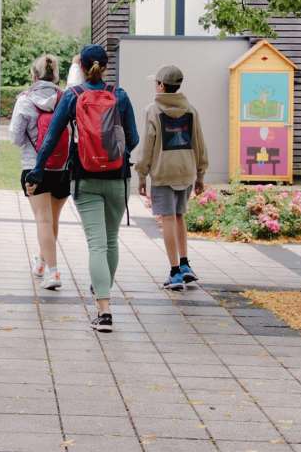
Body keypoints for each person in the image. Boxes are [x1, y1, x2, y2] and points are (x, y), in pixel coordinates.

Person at [25, 44, 139, 332]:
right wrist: (116, 154)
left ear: (83, 66)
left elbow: (50, 138)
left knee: (97, 244)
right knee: (111, 241)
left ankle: (104, 311)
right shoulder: (120, 95)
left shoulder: (73, 96)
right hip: (118, 178)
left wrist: (38, 171)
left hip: (85, 177)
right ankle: (103, 292)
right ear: (105, 65)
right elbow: (134, 138)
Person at [135, 65, 208, 291]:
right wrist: (200, 174)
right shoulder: (191, 110)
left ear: (161, 85)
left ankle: (175, 271)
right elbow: (199, 143)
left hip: (163, 171)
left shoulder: (153, 110)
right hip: (186, 171)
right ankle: (185, 264)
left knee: (167, 218)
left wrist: (141, 174)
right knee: (179, 216)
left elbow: (148, 146)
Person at [9, 54, 70, 290]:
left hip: (35, 167)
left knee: (42, 219)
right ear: (56, 76)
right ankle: (42, 263)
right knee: (53, 219)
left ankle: (53, 272)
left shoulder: (25, 100)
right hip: (62, 167)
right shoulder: (65, 98)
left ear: (34, 75)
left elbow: (15, 138)